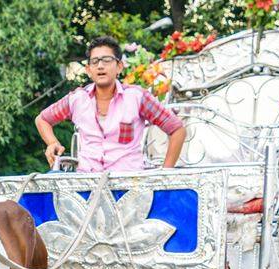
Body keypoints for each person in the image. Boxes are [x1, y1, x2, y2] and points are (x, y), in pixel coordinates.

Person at [35, 36, 186, 172]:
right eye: (95, 62)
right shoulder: (77, 99)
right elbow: (42, 119)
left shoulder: (137, 97)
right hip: (86, 184)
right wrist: (52, 143)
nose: (100, 66)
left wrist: (165, 173)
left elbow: (177, 130)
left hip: (128, 185)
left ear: (119, 67)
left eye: (106, 60)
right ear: (88, 70)